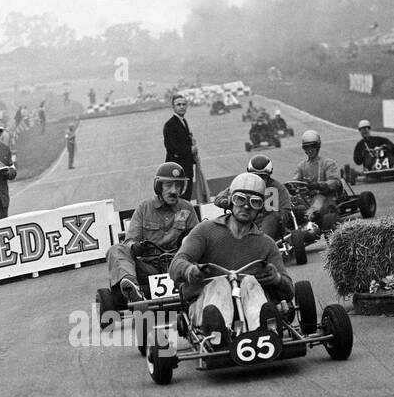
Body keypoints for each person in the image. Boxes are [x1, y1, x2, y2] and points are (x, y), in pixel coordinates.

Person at [168, 173, 294, 343]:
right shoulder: (205, 231)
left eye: (254, 202)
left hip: (250, 304)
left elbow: (289, 291)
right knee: (220, 283)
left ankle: (264, 331)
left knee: (250, 282)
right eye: (241, 199)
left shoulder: (266, 243)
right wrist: (190, 270)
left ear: (261, 208)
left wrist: (277, 278)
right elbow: (176, 264)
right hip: (206, 303)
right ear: (230, 201)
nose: (247, 207)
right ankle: (218, 334)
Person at [107, 162, 198, 304]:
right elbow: (129, 241)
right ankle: (132, 288)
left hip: (179, 265)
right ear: (159, 187)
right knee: (116, 249)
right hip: (150, 268)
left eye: (178, 185)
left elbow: (198, 239)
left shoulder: (187, 208)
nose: (174, 191)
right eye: (168, 185)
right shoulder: (145, 207)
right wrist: (135, 247)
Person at [294, 131, 347, 236]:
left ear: (318, 146)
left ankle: (309, 221)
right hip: (307, 197)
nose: (309, 150)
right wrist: (293, 187)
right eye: (306, 147)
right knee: (294, 202)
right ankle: (293, 224)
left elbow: (335, 182)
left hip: (325, 196)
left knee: (318, 199)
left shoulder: (328, 163)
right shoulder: (301, 166)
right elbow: (295, 181)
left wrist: (319, 185)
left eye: (312, 146)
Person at [162, 93, 198, 197]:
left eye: (184, 104)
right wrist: (190, 150)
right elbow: (171, 147)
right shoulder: (170, 124)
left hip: (186, 168)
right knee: (180, 199)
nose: (182, 107)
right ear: (173, 107)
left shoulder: (183, 121)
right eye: (178, 104)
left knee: (186, 199)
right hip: (177, 171)